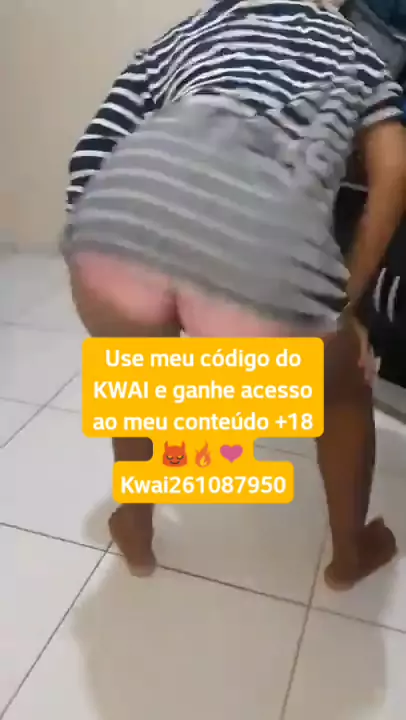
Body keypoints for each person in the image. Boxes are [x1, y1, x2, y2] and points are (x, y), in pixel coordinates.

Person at [63, 0, 405, 589]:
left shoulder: (187, 31)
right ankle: (349, 553)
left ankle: (136, 524)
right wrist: (345, 301)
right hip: (256, 242)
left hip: (119, 222)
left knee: (141, 379)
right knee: (340, 392)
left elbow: (91, 152)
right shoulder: (355, 48)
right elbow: (394, 171)